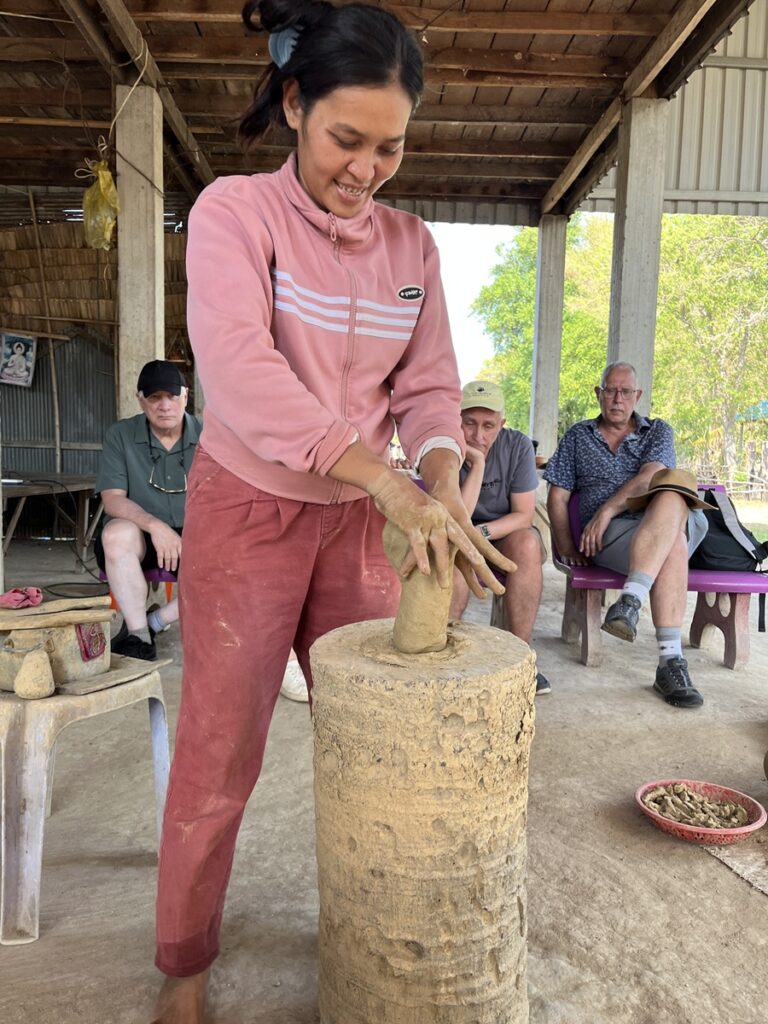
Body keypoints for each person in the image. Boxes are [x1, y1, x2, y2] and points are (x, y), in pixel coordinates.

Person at [151, 4, 513, 1020]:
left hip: (363, 517)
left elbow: (431, 389)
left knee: (389, 735)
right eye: (346, 140)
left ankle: (384, 935)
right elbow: (242, 372)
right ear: (297, 105)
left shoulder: (412, 246)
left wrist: (438, 484)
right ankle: (184, 966)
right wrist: (386, 479)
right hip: (251, 509)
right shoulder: (234, 214)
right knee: (222, 750)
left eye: (389, 147)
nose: (365, 169)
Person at [544, 361, 710, 709]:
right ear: (598, 393)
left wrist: (605, 511)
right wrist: (566, 546)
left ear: (638, 395)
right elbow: (557, 496)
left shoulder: (658, 431)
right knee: (672, 544)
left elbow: (653, 474)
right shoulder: (578, 436)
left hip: (651, 518)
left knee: (668, 492)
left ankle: (630, 600)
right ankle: (671, 663)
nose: (617, 398)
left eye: (625, 391)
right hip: (617, 538)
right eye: (610, 390)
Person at [94, 360, 201, 661]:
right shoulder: (121, 435)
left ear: (185, 396)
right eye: (155, 397)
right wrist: (156, 526)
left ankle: (156, 621)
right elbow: (113, 499)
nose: (164, 405)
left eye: (171, 395)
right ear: (141, 399)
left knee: (238, 559)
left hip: (195, 535)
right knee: (116, 533)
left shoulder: (209, 437)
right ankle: (139, 636)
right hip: (142, 535)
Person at [449, 380, 551, 695]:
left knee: (527, 543)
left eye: (489, 426)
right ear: (458, 420)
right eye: (470, 424)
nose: (478, 435)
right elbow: (457, 518)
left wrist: (480, 534)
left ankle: (520, 658)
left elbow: (522, 514)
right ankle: (443, 650)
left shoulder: (518, 446)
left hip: (503, 529)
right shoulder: (446, 447)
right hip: (458, 529)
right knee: (452, 553)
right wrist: (477, 462)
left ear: (502, 424)